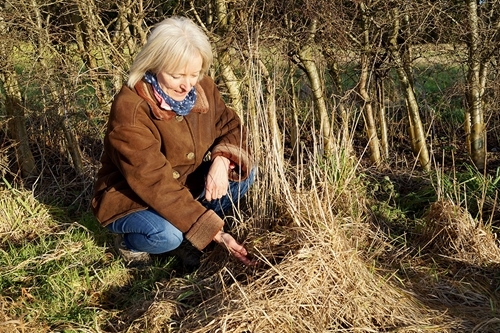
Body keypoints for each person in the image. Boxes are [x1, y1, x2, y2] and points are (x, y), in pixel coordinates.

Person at [91, 16, 255, 269]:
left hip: (183, 186)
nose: (187, 84)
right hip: (134, 196)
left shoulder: (203, 88)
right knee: (165, 236)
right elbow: (153, 181)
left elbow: (231, 126)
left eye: (194, 73)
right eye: (177, 75)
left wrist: (222, 161)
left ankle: (192, 227)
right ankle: (131, 245)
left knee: (243, 174)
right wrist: (215, 232)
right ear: (154, 64)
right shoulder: (131, 109)